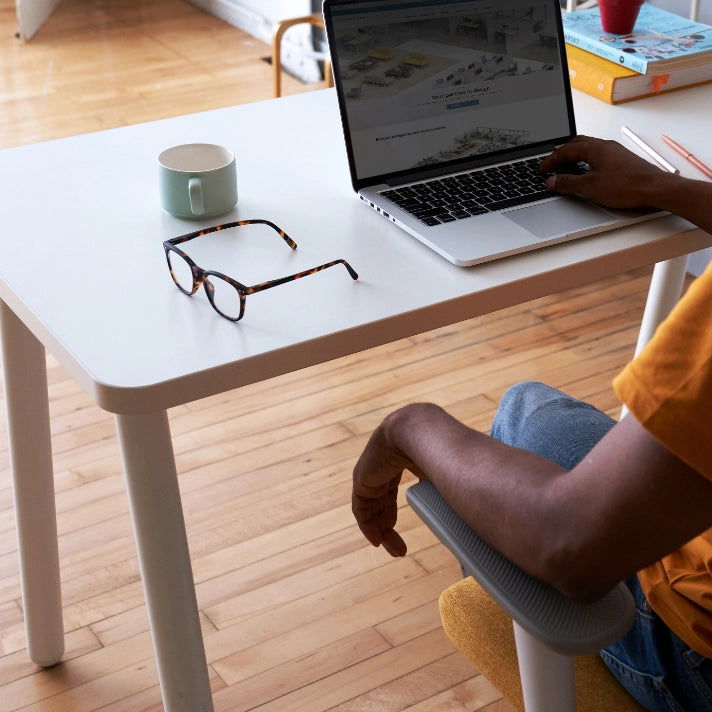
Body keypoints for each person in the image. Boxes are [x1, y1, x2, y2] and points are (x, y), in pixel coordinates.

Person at [351, 136, 712, 712]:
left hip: (693, 660)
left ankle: (523, 619)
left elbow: (572, 547)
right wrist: (658, 187)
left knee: (525, 409)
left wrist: (407, 426)